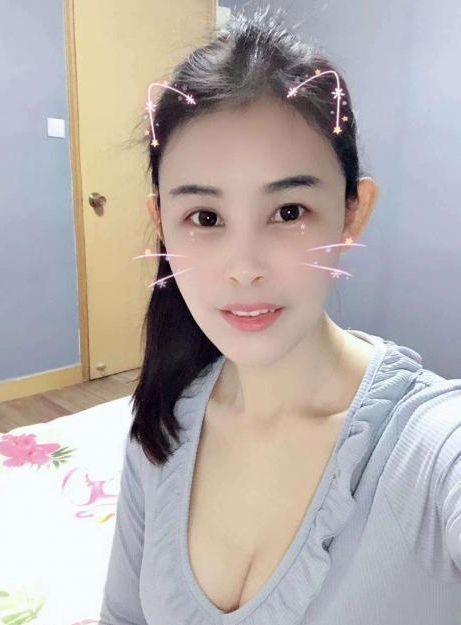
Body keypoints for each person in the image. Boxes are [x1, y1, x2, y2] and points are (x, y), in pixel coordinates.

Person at [99, 5, 461, 625]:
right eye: (204, 218)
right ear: (162, 223)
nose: (245, 268)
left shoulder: (430, 448)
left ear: (353, 211)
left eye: (289, 212)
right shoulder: (160, 424)